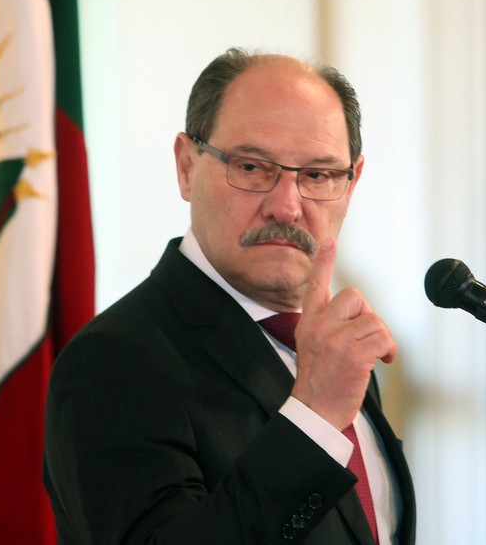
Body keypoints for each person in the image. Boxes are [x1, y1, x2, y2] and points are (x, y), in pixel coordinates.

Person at [43, 47, 416, 544]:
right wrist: (315, 417)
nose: (287, 207)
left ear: (351, 184)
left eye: (318, 175)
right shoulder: (113, 360)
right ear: (186, 167)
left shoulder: (331, 350)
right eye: (252, 167)